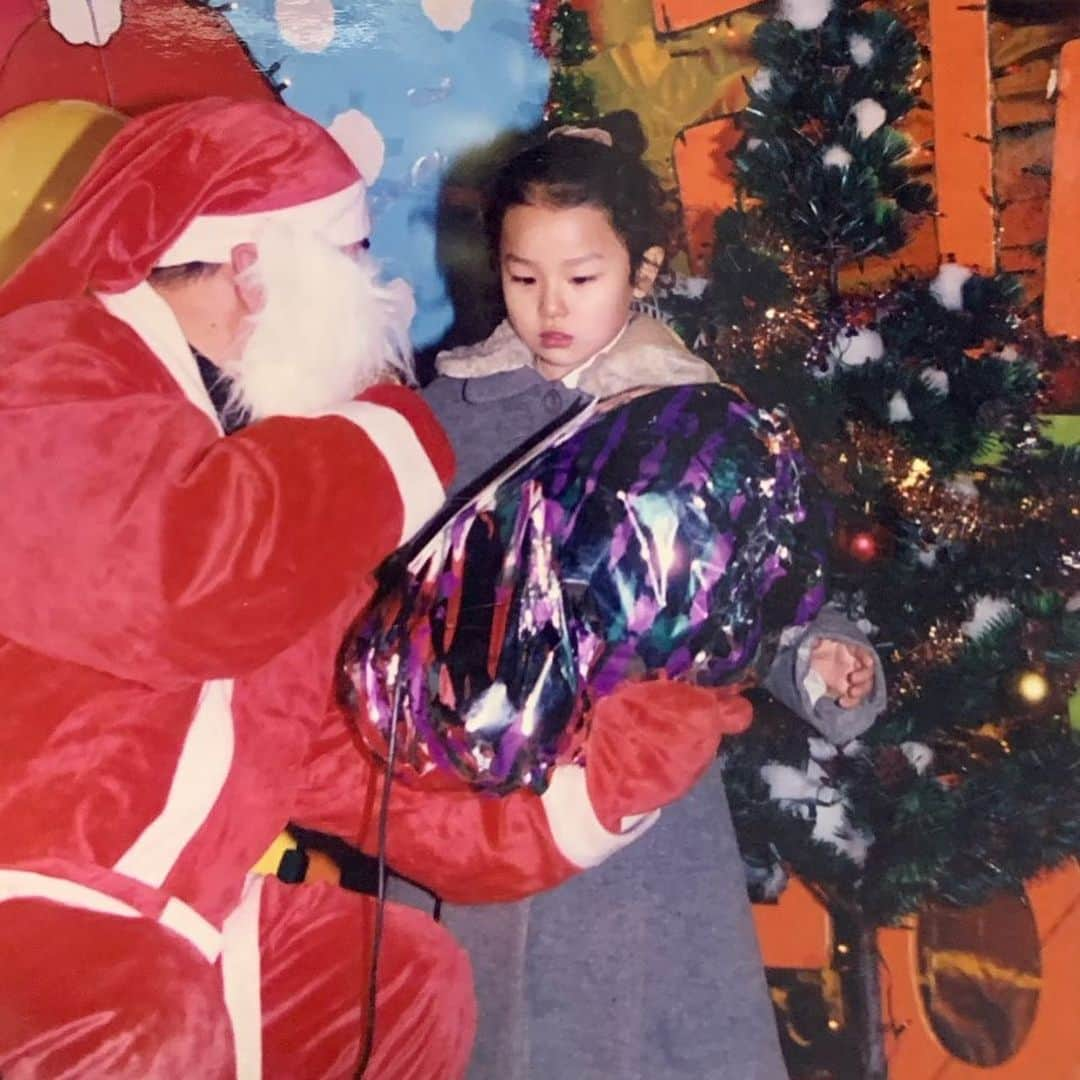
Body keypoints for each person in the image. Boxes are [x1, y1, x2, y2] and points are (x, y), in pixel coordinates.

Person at [0, 97, 751, 1079]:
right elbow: (182, 580)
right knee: (146, 1014)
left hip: (175, 931)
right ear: (255, 268)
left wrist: (597, 792)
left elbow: (370, 765)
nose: (374, 296)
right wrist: (393, 435)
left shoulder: (267, 472)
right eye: (350, 263)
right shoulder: (54, 369)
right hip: (33, 912)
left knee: (397, 984)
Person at [422, 113, 886, 1079]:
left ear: (644, 269)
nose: (549, 306)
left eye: (582, 277)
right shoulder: (448, 418)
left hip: (640, 828)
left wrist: (818, 656)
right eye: (522, 275)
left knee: (634, 1035)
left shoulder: (692, 420)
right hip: (473, 813)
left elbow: (768, 587)